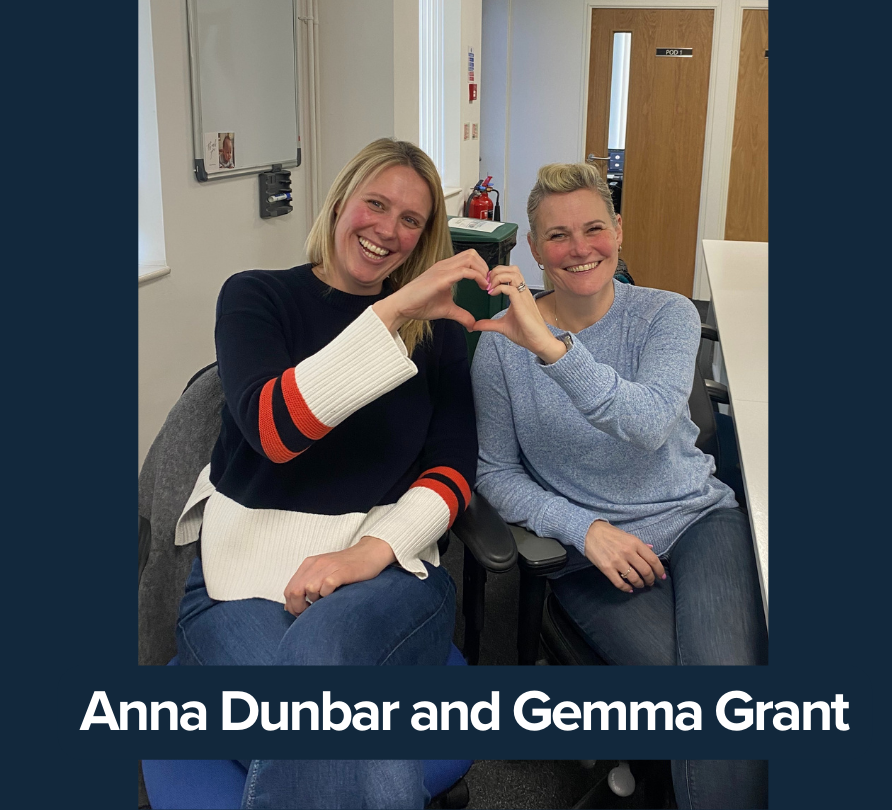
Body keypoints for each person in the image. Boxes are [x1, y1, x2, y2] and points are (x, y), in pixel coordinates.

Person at [172, 138, 491, 809]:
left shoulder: (437, 333)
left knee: (314, 699)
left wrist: (365, 557)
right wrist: (392, 312)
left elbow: (453, 470)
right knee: (343, 734)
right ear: (340, 200)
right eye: (376, 204)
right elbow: (273, 432)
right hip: (241, 582)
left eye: (412, 221)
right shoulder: (256, 297)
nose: (388, 231)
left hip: (391, 571)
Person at [470, 162, 768, 809]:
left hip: (695, 521)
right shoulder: (496, 350)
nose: (580, 249)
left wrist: (554, 351)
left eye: (594, 228)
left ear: (619, 230)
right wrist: (586, 529)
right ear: (533, 250)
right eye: (558, 236)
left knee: (727, 696)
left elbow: (649, 422)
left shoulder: (667, 315)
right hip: (593, 552)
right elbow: (493, 473)